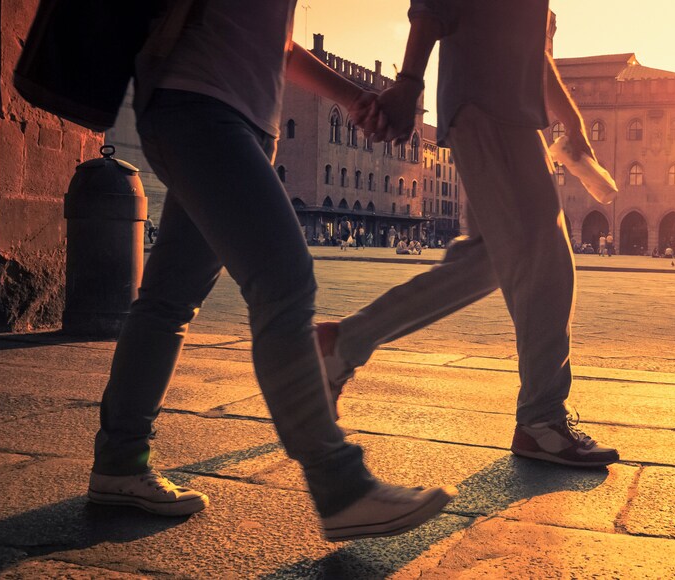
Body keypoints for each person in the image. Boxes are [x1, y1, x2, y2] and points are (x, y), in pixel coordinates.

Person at [87, 1, 454, 542]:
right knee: (283, 280)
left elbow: (275, 41)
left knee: (170, 298)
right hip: (197, 105)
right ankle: (340, 485)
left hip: (240, 121)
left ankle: (119, 462)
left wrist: (354, 97)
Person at [322, 0, 618, 468]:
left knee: (484, 261)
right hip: (491, 105)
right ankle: (541, 420)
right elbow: (434, 5)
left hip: (503, 110)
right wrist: (408, 84)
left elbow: (531, 50)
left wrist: (572, 121)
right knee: (547, 261)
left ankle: (343, 344)